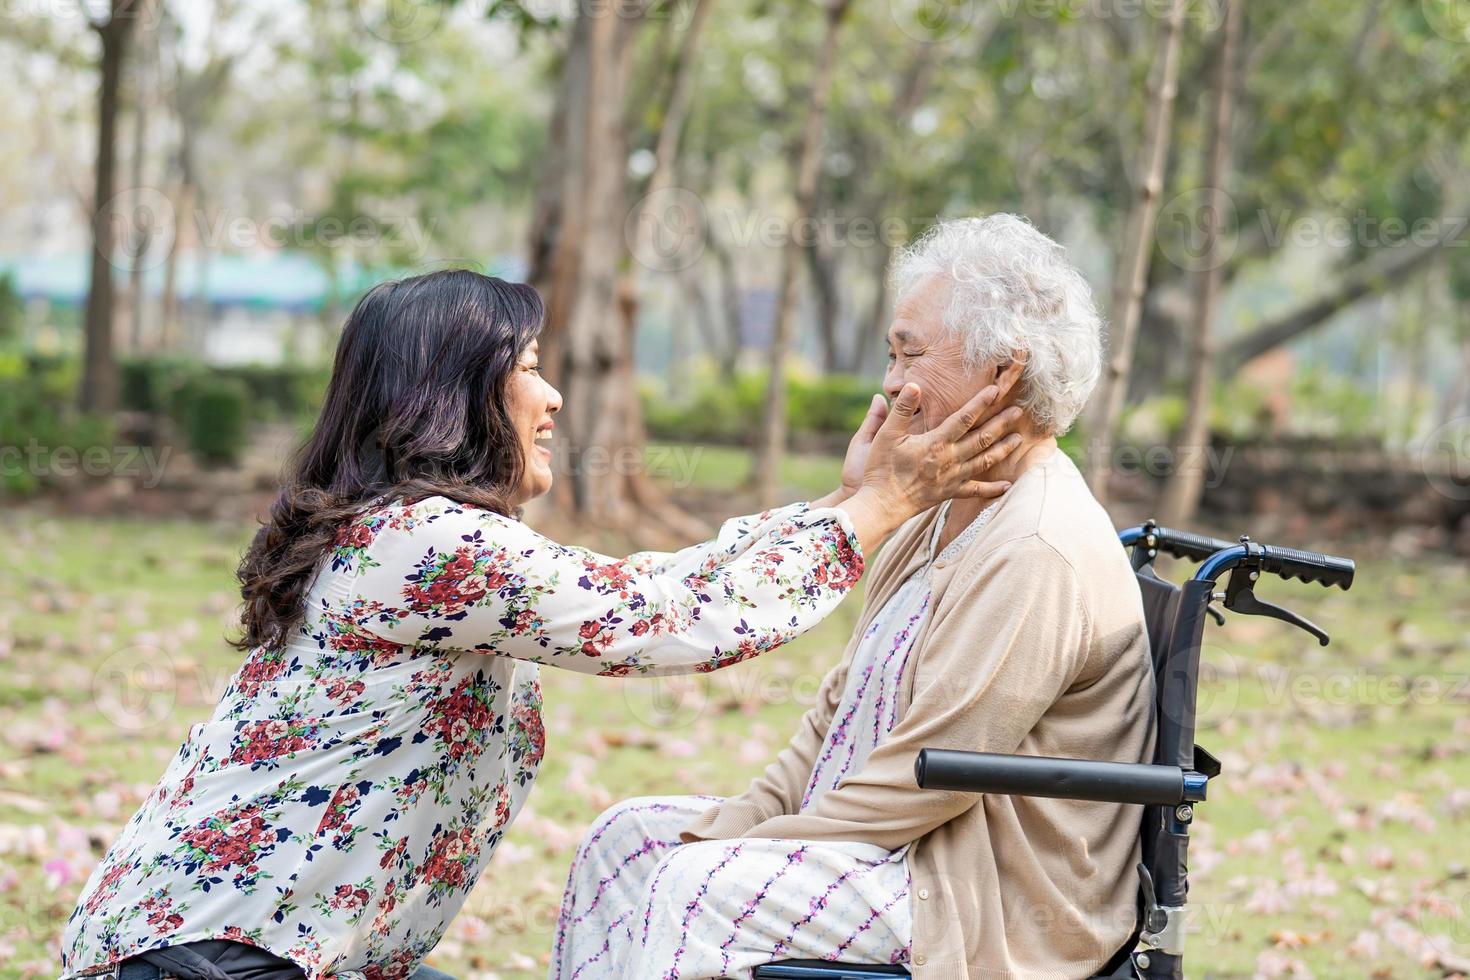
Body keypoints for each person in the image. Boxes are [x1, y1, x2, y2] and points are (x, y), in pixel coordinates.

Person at [60, 269, 1023, 980]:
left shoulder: (407, 534)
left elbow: (648, 585)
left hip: (276, 954)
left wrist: (847, 502)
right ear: (450, 394)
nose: (553, 394)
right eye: (525, 368)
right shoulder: (430, 547)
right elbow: (661, 622)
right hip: (215, 963)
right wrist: (876, 512)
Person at [553, 215, 1157, 979]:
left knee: (693, 884)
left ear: (1004, 371)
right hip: (892, 851)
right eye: (891, 355)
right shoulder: (934, 511)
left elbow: (924, 782)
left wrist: (753, 848)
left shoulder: (1035, 545)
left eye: (911, 355)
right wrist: (742, 820)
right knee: (626, 841)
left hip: (973, 893)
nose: (892, 385)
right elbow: (837, 713)